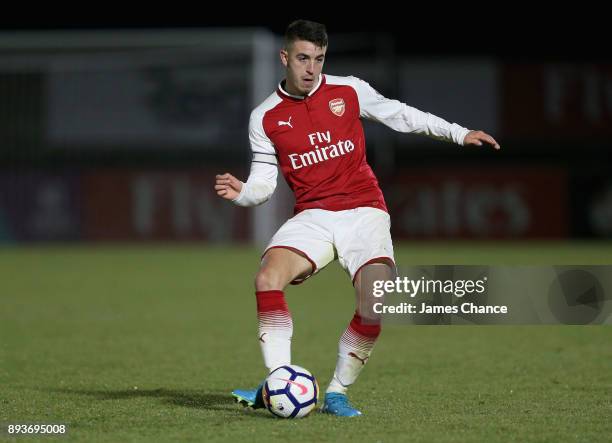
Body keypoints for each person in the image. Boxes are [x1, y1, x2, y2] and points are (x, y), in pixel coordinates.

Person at [215, 19, 500, 417]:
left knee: (374, 300)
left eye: (318, 59)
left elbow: (400, 115)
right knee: (267, 277)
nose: (311, 68)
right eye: (302, 58)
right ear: (284, 58)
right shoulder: (264, 117)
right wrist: (243, 192)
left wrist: (457, 132)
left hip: (364, 211)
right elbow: (264, 184)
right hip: (313, 215)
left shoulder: (348, 89)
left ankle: (336, 391)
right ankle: (279, 380)